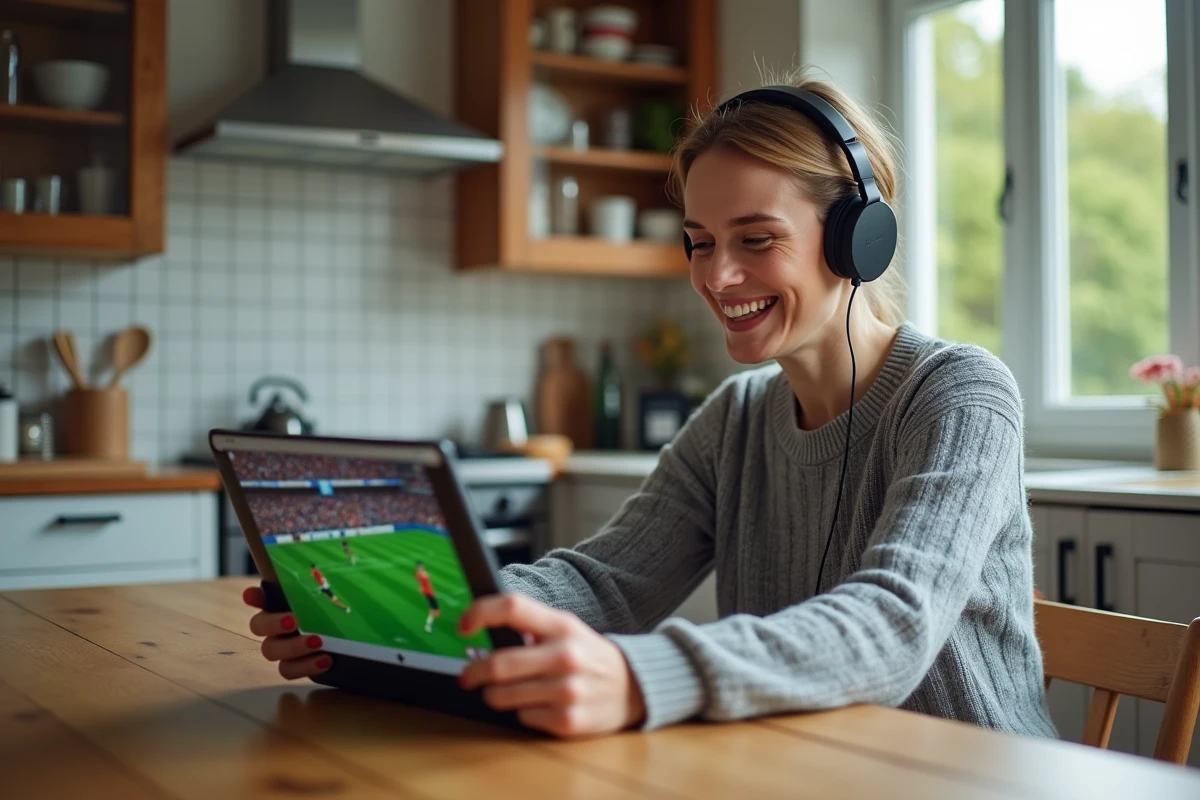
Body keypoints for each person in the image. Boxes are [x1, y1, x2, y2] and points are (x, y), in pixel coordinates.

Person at [245, 69, 1056, 741]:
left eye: (756, 239)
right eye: (700, 242)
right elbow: (605, 582)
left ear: (856, 238)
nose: (717, 277)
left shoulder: (960, 395)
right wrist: (408, 623)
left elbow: (892, 624)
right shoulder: (737, 419)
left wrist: (642, 676)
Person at [415, 561, 441, 633]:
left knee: (436, 611)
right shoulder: (421, 574)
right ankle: (427, 626)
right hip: (429, 593)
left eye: (422, 566)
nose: (422, 567)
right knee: (434, 611)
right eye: (421, 567)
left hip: (428, 592)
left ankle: (429, 622)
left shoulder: (419, 574)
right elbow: (423, 579)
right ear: (418, 567)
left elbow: (419, 583)